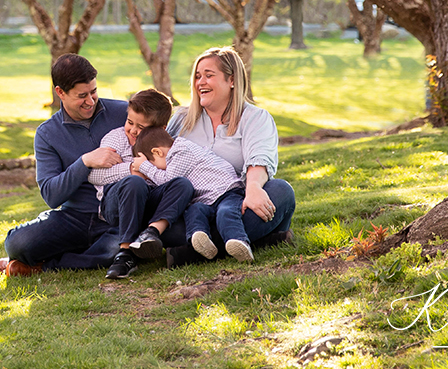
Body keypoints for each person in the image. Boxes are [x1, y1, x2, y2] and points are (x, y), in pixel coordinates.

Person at [0, 54, 179, 276]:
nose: (91, 101)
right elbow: (51, 196)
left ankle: (42, 266)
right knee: (18, 244)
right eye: (81, 96)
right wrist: (85, 161)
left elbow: (161, 144)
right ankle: (58, 253)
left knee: (119, 250)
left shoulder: (124, 113)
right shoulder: (47, 134)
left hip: (119, 214)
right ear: (60, 93)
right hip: (75, 217)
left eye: (93, 92)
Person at [165, 47, 295, 262]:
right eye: (197, 76)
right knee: (176, 219)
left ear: (231, 80)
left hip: (235, 204)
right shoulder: (181, 118)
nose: (200, 82)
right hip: (193, 209)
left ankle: (189, 250)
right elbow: (159, 156)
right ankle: (254, 240)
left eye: (209, 75)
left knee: (281, 191)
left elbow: (259, 159)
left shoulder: (255, 117)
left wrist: (253, 189)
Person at [87, 89, 195, 279]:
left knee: (183, 184)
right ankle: (125, 254)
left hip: (148, 206)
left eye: (142, 127)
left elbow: (169, 178)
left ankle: (151, 233)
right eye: (130, 122)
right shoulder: (116, 139)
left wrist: (148, 171)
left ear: (160, 129)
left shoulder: (165, 144)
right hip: (116, 204)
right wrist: (132, 170)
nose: (133, 130)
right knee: (135, 182)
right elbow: (94, 176)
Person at [131, 125, 251, 262]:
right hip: (207, 199)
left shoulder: (181, 151)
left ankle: (238, 241)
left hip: (226, 191)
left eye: (154, 164)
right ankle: (200, 238)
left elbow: (168, 180)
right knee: (194, 211)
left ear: (157, 152)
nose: (156, 169)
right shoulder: (176, 153)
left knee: (226, 212)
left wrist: (144, 167)